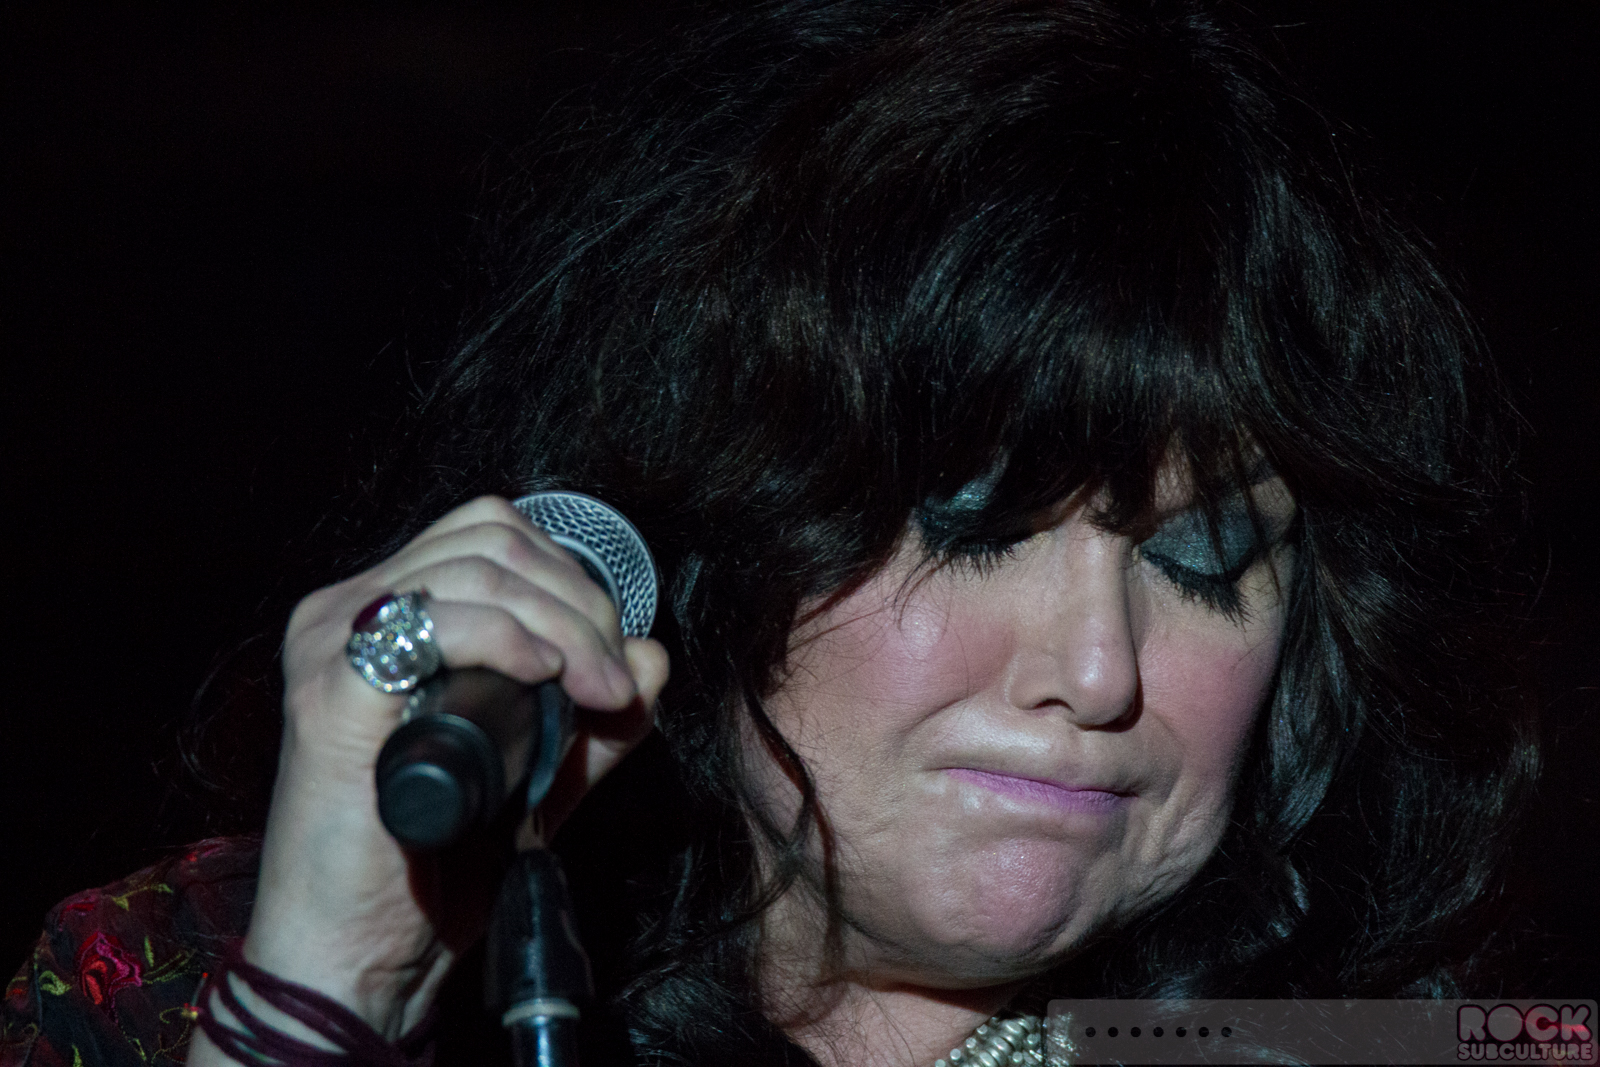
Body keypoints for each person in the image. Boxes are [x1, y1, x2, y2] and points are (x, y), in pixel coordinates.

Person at [2, 1, 1537, 1065]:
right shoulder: (172, 990)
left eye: (1199, 559)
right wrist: (326, 998)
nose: (1096, 671)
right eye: (973, 521)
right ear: (705, 529)